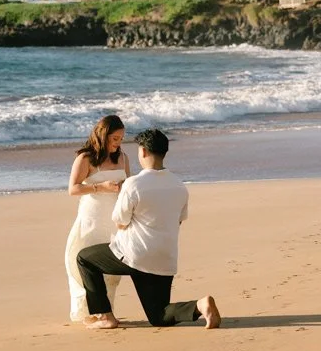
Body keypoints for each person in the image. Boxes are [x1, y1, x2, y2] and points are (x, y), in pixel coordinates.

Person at [77, 128, 221, 330]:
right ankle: (200, 305)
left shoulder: (133, 184)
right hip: (165, 259)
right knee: (159, 316)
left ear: (143, 151)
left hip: (135, 255)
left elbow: (120, 222)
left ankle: (105, 316)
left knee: (85, 259)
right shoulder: (179, 185)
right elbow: (178, 221)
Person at [64, 114, 130, 324]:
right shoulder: (85, 158)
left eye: (121, 139)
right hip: (92, 219)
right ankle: (91, 312)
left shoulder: (123, 158)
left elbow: (129, 188)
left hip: (114, 221)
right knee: (80, 262)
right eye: (115, 138)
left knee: (112, 269)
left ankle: (106, 312)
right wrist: (101, 187)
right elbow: (73, 189)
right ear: (103, 135)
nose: (118, 143)